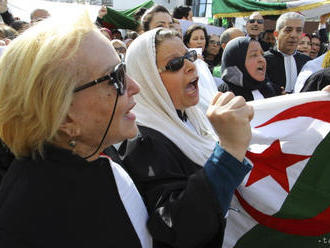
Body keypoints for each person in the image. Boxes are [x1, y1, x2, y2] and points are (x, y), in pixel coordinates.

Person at [0, 12, 152, 248]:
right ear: (63, 117)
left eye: (124, 68)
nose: (135, 86)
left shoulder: (86, 164)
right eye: (116, 77)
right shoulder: (38, 218)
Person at [124, 28, 253, 248]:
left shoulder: (194, 116)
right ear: (148, 79)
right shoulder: (143, 142)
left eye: (189, 56)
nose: (191, 65)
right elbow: (178, 226)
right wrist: (229, 152)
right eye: (175, 64)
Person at [218, 36, 282, 101]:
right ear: (237, 61)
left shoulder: (270, 89)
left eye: (262, 55)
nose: (262, 59)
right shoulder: (224, 96)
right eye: (254, 55)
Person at [264, 12, 310, 93]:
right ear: (276, 34)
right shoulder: (263, 60)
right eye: (288, 30)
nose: (293, 35)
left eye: (298, 30)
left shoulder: (307, 62)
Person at [183, 24, 218, 112]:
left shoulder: (202, 61)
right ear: (188, 42)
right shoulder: (187, 59)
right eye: (195, 39)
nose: (199, 42)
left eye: (202, 38)